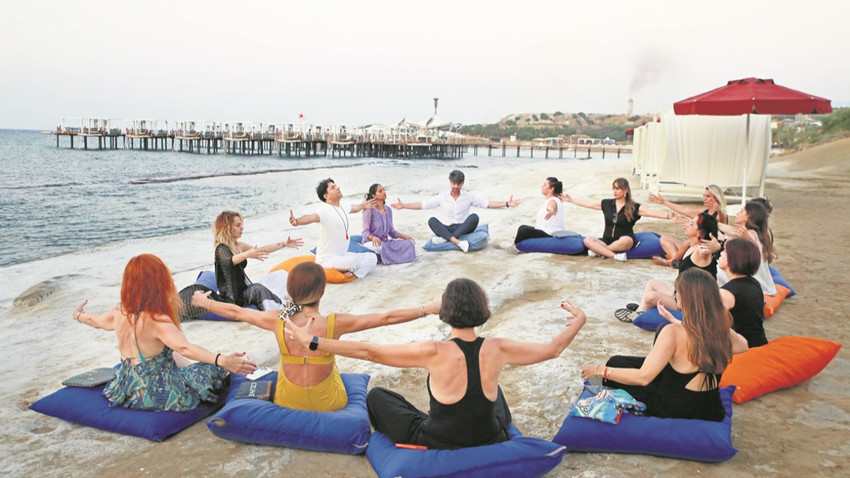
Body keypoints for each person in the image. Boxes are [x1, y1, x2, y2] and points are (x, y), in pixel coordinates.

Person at [284, 278, 587, 449]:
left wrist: (312, 342)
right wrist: (580, 320)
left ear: (445, 310)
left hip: (440, 440)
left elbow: (369, 352)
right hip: (491, 436)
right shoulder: (498, 347)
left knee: (377, 396)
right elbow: (553, 349)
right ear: (481, 308)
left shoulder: (433, 351)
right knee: (496, 392)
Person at [191, 261, 439, 411]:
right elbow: (386, 318)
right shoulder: (335, 323)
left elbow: (237, 312)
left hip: (288, 400)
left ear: (289, 291)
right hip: (330, 402)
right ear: (322, 290)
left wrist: (205, 302)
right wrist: (427, 309)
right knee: (331, 364)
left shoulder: (276, 319)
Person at [72, 254, 257, 411]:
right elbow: (185, 348)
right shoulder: (157, 320)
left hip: (126, 387)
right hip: (155, 393)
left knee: (172, 353)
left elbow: (95, 322)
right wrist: (222, 360)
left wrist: (78, 314)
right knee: (212, 371)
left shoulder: (119, 311)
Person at [581, 268, 748, 421]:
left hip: (676, 408)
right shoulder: (721, 330)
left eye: (677, 292)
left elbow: (643, 378)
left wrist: (600, 370)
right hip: (709, 406)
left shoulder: (673, 332)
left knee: (613, 369)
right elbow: (743, 346)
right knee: (618, 362)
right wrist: (677, 321)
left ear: (685, 298)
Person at [179, 211, 303, 320]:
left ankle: (283, 306)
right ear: (228, 228)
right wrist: (247, 254)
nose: (242, 228)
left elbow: (262, 249)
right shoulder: (221, 248)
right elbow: (229, 261)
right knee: (257, 289)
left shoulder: (239, 245)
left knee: (279, 275)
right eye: (238, 225)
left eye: (241, 224)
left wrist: (283, 244)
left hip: (243, 290)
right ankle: (278, 314)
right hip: (231, 296)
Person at [614, 212, 719, 322]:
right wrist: (664, 262)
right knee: (652, 283)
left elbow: (710, 251)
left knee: (651, 297)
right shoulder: (691, 245)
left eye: (692, 224)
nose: (688, 226)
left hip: (690, 302)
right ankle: (641, 309)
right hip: (680, 294)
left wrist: (717, 246)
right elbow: (679, 264)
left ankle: (638, 315)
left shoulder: (702, 251)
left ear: (700, 232)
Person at [392, 169, 521, 253]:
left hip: (463, 227)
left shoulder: (468, 196)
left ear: (462, 183)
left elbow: (487, 204)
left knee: (474, 217)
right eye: (453, 184)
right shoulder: (442, 196)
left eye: (458, 184)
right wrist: (404, 206)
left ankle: (446, 240)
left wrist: (507, 204)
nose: (455, 187)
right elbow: (424, 205)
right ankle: (457, 242)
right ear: (450, 182)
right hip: (447, 228)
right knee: (432, 220)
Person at [562, 177, 673, 261]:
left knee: (626, 240)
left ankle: (601, 251)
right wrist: (571, 200)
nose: (615, 191)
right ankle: (614, 256)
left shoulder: (633, 207)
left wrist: (668, 216)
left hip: (625, 240)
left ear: (625, 191)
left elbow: (651, 212)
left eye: (618, 189)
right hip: (607, 240)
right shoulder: (607, 203)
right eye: (614, 188)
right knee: (587, 240)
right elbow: (589, 204)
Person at [290, 178, 378, 279]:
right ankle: (344, 271)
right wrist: (297, 221)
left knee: (372, 258)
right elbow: (312, 217)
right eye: (333, 187)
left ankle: (351, 273)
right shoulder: (325, 210)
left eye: (336, 185)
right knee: (354, 262)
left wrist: (363, 205)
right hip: (326, 259)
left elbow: (353, 208)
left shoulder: (342, 207)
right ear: (326, 196)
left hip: (342, 255)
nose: (338, 187)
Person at [648, 185, 728, 267]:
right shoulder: (705, 212)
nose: (704, 198)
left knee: (687, 243)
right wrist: (664, 202)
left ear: (716, 198)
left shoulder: (720, 214)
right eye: (703, 196)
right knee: (664, 239)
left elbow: (722, 220)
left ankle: (671, 262)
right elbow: (684, 210)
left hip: (706, 251)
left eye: (708, 196)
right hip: (693, 247)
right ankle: (678, 261)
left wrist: (719, 210)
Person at [716, 200, 777, 296]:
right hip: (762, 283)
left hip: (756, 283)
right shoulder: (759, 233)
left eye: (741, 212)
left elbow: (752, 243)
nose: (737, 214)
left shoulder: (750, 235)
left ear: (748, 216)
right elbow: (731, 230)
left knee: (715, 271)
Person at [718, 238, 768, 347]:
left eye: (725, 251)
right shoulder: (754, 283)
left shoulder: (725, 293)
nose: (721, 253)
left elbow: (711, 327)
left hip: (741, 349)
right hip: (759, 342)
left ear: (734, 257)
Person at [499, 177, 565, 254]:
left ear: (551, 189)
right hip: (547, 232)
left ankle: (514, 247)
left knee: (523, 230)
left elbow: (551, 207)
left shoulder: (552, 200)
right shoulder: (553, 200)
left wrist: (551, 211)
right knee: (523, 227)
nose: (542, 186)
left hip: (550, 234)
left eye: (544, 185)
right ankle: (516, 244)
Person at [361, 183, 416, 264]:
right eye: (380, 191)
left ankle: (389, 258)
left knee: (409, 243)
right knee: (382, 247)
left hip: (386, 242)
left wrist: (404, 236)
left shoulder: (388, 210)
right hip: (372, 243)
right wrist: (373, 238)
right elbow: (365, 232)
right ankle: (388, 258)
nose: (384, 192)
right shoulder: (369, 210)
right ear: (374, 196)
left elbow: (391, 232)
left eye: (384, 190)